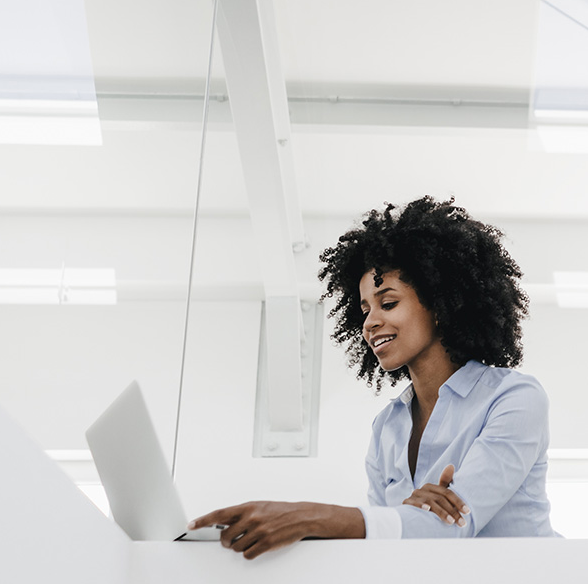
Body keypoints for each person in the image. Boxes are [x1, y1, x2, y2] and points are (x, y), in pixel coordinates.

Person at [186, 197, 556, 557]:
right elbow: (388, 546)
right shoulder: (388, 427)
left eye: (388, 303)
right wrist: (403, 517)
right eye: (365, 309)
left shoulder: (513, 398)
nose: (369, 323)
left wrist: (310, 516)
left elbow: (451, 526)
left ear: (442, 305)